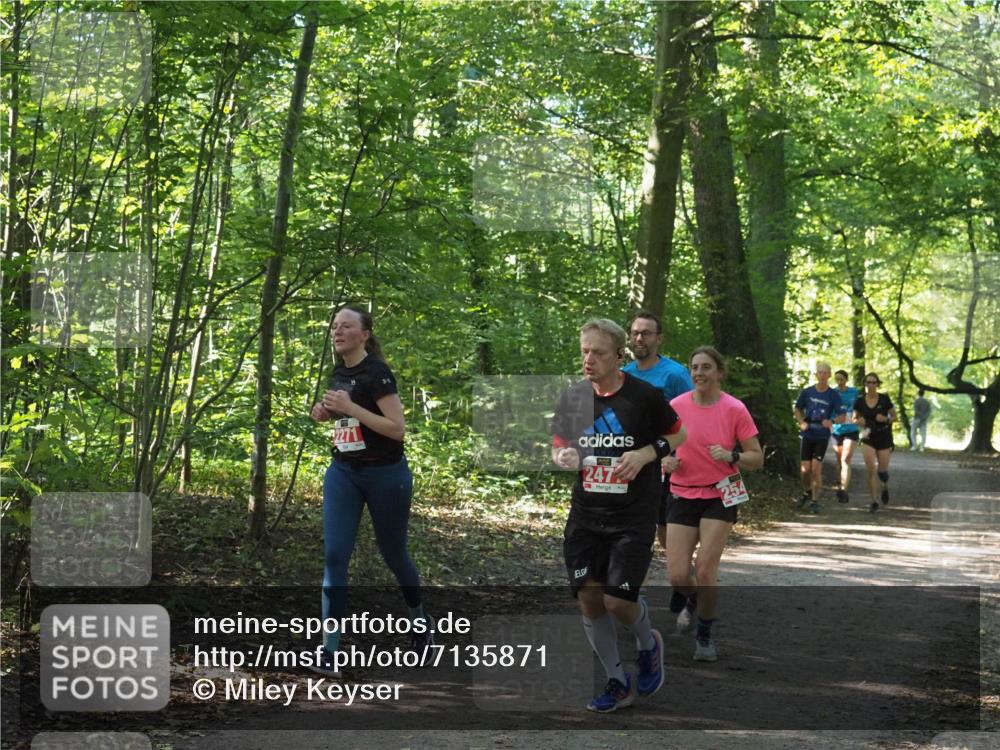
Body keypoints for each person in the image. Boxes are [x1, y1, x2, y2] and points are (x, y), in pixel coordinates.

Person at [552, 318, 686, 712]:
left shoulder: (644, 397)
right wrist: (564, 456)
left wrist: (646, 453)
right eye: (584, 352)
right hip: (585, 515)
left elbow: (678, 435)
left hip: (632, 516)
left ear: (619, 356)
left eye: (598, 352)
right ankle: (616, 680)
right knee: (590, 598)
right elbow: (559, 446)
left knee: (617, 602)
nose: (588, 359)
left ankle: (648, 642)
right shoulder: (574, 398)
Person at [308, 305, 429, 676]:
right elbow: (348, 415)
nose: (338, 331)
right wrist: (328, 413)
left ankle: (421, 627)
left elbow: (396, 429)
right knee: (335, 557)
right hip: (344, 471)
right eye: (335, 326)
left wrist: (350, 408)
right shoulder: (338, 371)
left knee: (394, 555)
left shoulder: (378, 373)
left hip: (385, 475)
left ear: (364, 335)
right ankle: (329, 652)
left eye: (346, 326)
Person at [663, 346, 763, 662]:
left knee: (705, 570)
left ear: (719, 372)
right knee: (678, 576)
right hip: (682, 492)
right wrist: (666, 462)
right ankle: (694, 602)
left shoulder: (735, 409)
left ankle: (704, 635)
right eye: (694, 367)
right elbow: (660, 449)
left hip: (721, 493)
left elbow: (756, 458)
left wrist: (732, 455)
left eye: (706, 367)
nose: (699, 373)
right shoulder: (675, 407)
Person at [623, 311, 694, 551]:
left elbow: (692, 419)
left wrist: (674, 456)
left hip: (666, 463)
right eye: (635, 333)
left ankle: (684, 580)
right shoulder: (625, 374)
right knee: (631, 529)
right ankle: (631, 587)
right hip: (631, 462)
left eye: (646, 333)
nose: (639, 338)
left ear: (659, 339)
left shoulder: (675, 374)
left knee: (665, 533)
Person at [793, 362, 843, 513]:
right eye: (819, 372)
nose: (822, 375)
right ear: (816, 374)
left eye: (825, 373)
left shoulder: (833, 395)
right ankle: (807, 492)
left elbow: (842, 415)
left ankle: (815, 501)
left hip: (822, 435)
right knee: (804, 470)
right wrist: (801, 422)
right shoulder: (807, 392)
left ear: (829, 375)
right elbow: (797, 409)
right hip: (808, 433)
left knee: (815, 470)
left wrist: (832, 421)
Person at [853, 372, 896, 513]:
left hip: (883, 435)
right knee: (870, 470)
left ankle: (884, 485)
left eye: (874, 382)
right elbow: (854, 418)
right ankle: (874, 501)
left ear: (878, 384)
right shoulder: (859, 400)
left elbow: (894, 416)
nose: (871, 385)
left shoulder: (884, 399)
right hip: (867, 436)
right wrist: (859, 421)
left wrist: (885, 419)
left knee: (882, 471)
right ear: (865, 384)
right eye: (868, 382)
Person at [831, 370, 861, 503]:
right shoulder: (832, 393)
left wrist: (857, 416)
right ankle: (839, 485)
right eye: (837, 379)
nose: (839, 382)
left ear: (846, 379)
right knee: (839, 461)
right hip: (837, 430)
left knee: (845, 459)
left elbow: (859, 407)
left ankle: (844, 490)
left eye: (842, 379)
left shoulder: (854, 392)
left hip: (851, 429)